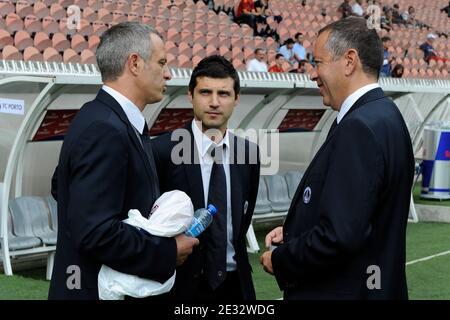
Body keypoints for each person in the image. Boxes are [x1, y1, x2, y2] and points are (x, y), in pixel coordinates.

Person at [260, 17, 415, 300]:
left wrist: (281, 260)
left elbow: (339, 236)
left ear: (349, 61)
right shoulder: (386, 114)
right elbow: (359, 213)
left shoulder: (359, 126)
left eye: (317, 62)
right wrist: (297, 230)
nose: (312, 74)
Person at [48, 22, 199, 300]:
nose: (168, 73)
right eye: (162, 62)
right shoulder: (105, 127)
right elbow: (94, 231)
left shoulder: (104, 118)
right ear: (134, 63)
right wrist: (166, 251)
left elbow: (63, 186)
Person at [152, 55, 260, 300]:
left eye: (223, 94)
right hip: (180, 287)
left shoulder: (248, 154)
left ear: (236, 99)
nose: (214, 102)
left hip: (236, 285)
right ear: (190, 95)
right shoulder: (162, 151)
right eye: (205, 92)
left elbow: (243, 217)